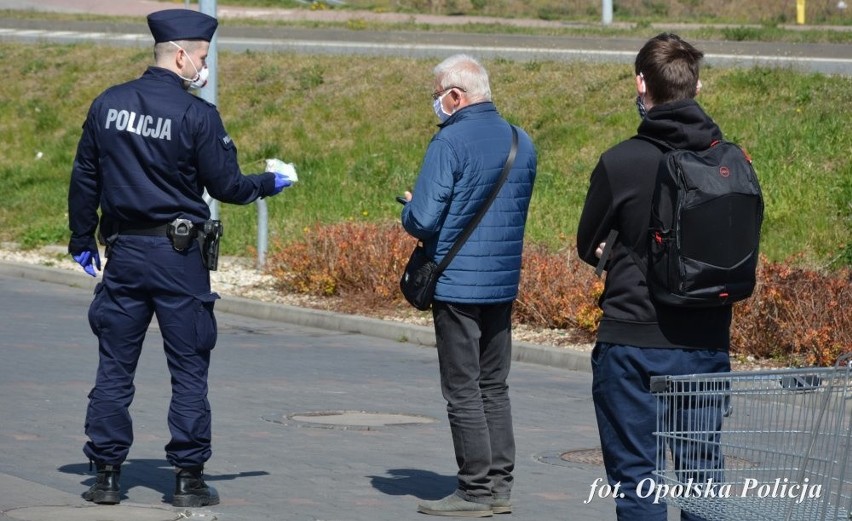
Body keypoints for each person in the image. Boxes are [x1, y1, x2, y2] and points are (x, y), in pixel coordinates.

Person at [67, 9, 293, 507]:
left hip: (123, 252)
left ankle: (105, 474)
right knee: (189, 366)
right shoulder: (196, 115)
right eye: (203, 58)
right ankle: (188, 478)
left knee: (114, 365)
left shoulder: (108, 104)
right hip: (179, 254)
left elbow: (85, 178)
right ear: (183, 54)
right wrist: (270, 183)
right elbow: (227, 186)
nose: (203, 68)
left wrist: (81, 239)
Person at [576, 33, 732, 520]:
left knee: (637, 482)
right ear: (697, 87)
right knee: (702, 478)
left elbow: (588, 242)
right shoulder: (728, 162)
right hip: (705, 341)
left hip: (632, 339)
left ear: (641, 83)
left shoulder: (621, 162)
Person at [400, 54, 537, 517]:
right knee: (494, 386)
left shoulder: (450, 142)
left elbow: (423, 220)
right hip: (502, 283)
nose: (435, 103)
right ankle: (500, 486)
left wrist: (408, 206)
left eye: (437, 94)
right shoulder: (523, 141)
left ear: (455, 96)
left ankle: (473, 490)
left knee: (462, 389)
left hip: (457, 285)